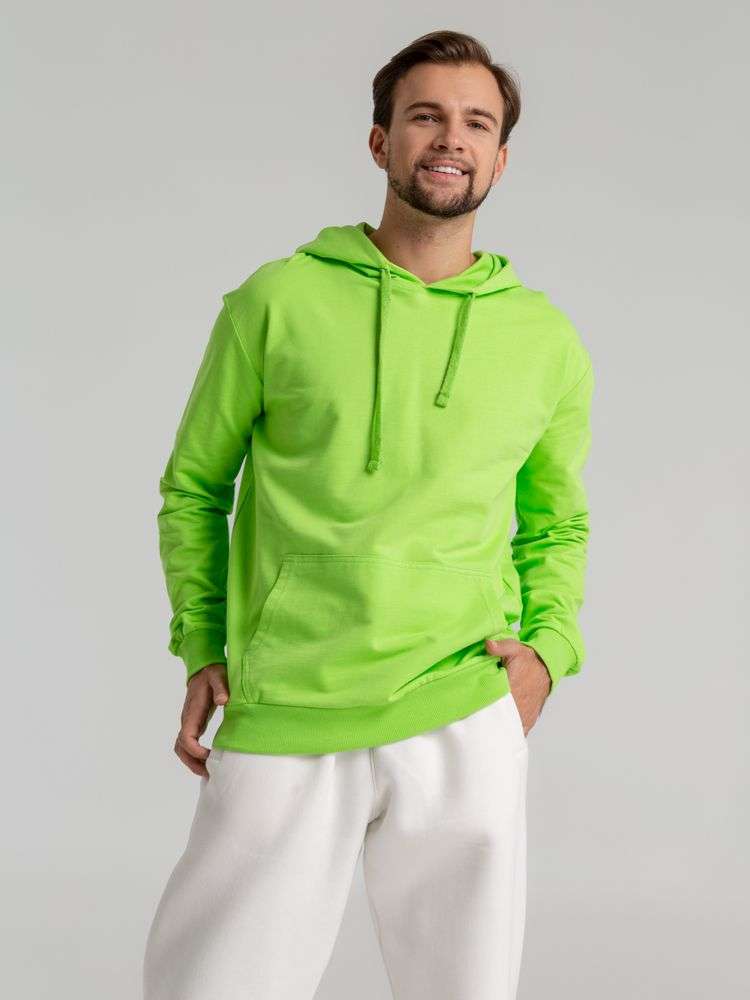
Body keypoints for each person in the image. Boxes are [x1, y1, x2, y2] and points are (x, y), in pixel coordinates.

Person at [142, 28, 594, 1000]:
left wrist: (549, 653)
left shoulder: (544, 339)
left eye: (477, 123)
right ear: (381, 140)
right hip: (288, 699)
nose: (451, 138)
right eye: (426, 116)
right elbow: (195, 486)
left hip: (463, 703)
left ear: (500, 159)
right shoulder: (276, 301)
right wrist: (203, 642)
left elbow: (557, 521)